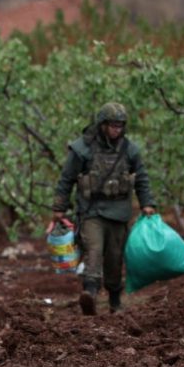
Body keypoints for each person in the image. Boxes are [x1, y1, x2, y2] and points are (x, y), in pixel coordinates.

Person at [52, 102, 156, 315]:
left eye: (120, 126)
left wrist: (147, 203)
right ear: (102, 125)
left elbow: (142, 179)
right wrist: (59, 207)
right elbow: (67, 178)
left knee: (115, 257)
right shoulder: (83, 148)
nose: (116, 129)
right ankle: (89, 293)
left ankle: (115, 300)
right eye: (112, 125)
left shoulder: (130, 150)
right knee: (94, 250)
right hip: (92, 211)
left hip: (119, 212)